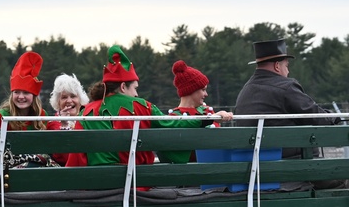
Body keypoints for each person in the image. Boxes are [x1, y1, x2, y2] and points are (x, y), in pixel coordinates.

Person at [68, 45, 231, 168]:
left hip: (93, 186)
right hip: (134, 183)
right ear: (124, 87)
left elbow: (75, 160)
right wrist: (203, 120)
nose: (137, 95)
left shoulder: (86, 110)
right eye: (135, 88)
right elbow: (172, 124)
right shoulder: (142, 107)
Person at [234, 38, 349, 190]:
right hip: (291, 167)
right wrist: (334, 117)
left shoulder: (246, 90)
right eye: (286, 66)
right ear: (277, 66)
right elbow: (315, 116)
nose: (288, 71)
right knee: (341, 178)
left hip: (254, 168)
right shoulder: (285, 86)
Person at [0, 51, 56, 170]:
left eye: (26, 93)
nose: (21, 97)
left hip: (37, 166)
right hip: (10, 169)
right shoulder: (1, 117)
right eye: (17, 92)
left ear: (34, 95)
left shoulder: (41, 116)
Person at [162, 59, 223, 164]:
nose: (206, 94)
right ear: (192, 90)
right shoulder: (175, 118)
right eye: (203, 90)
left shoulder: (207, 111)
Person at [46, 73, 88, 165]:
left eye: (73, 96)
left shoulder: (88, 119)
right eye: (64, 97)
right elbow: (65, 158)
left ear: (80, 99)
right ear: (58, 102)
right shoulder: (53, 124)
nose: (69, 101)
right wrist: (64, 125)